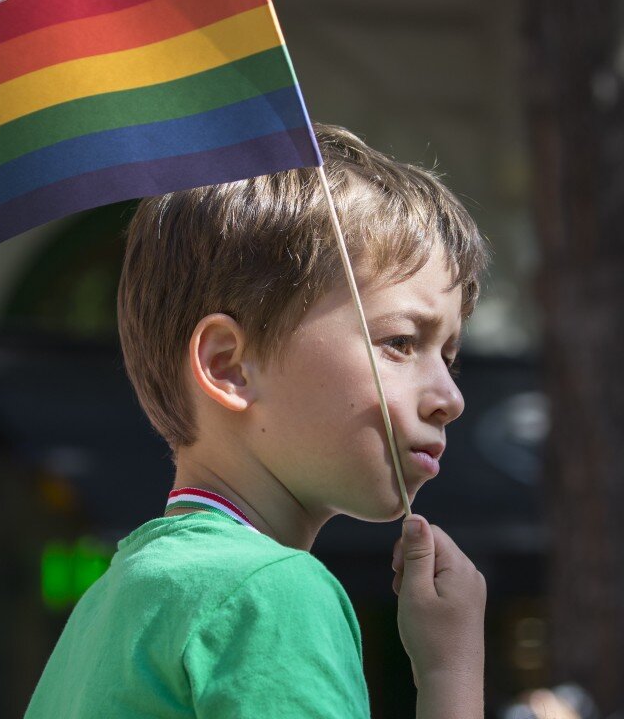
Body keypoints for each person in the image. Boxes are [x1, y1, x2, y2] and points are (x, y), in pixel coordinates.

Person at [24, 122, 490, 718]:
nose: (449, 397)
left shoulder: (111, 599)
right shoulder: (272, 592)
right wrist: (451, 673)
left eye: (448, 357)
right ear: (230, 366)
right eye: (400, 341)